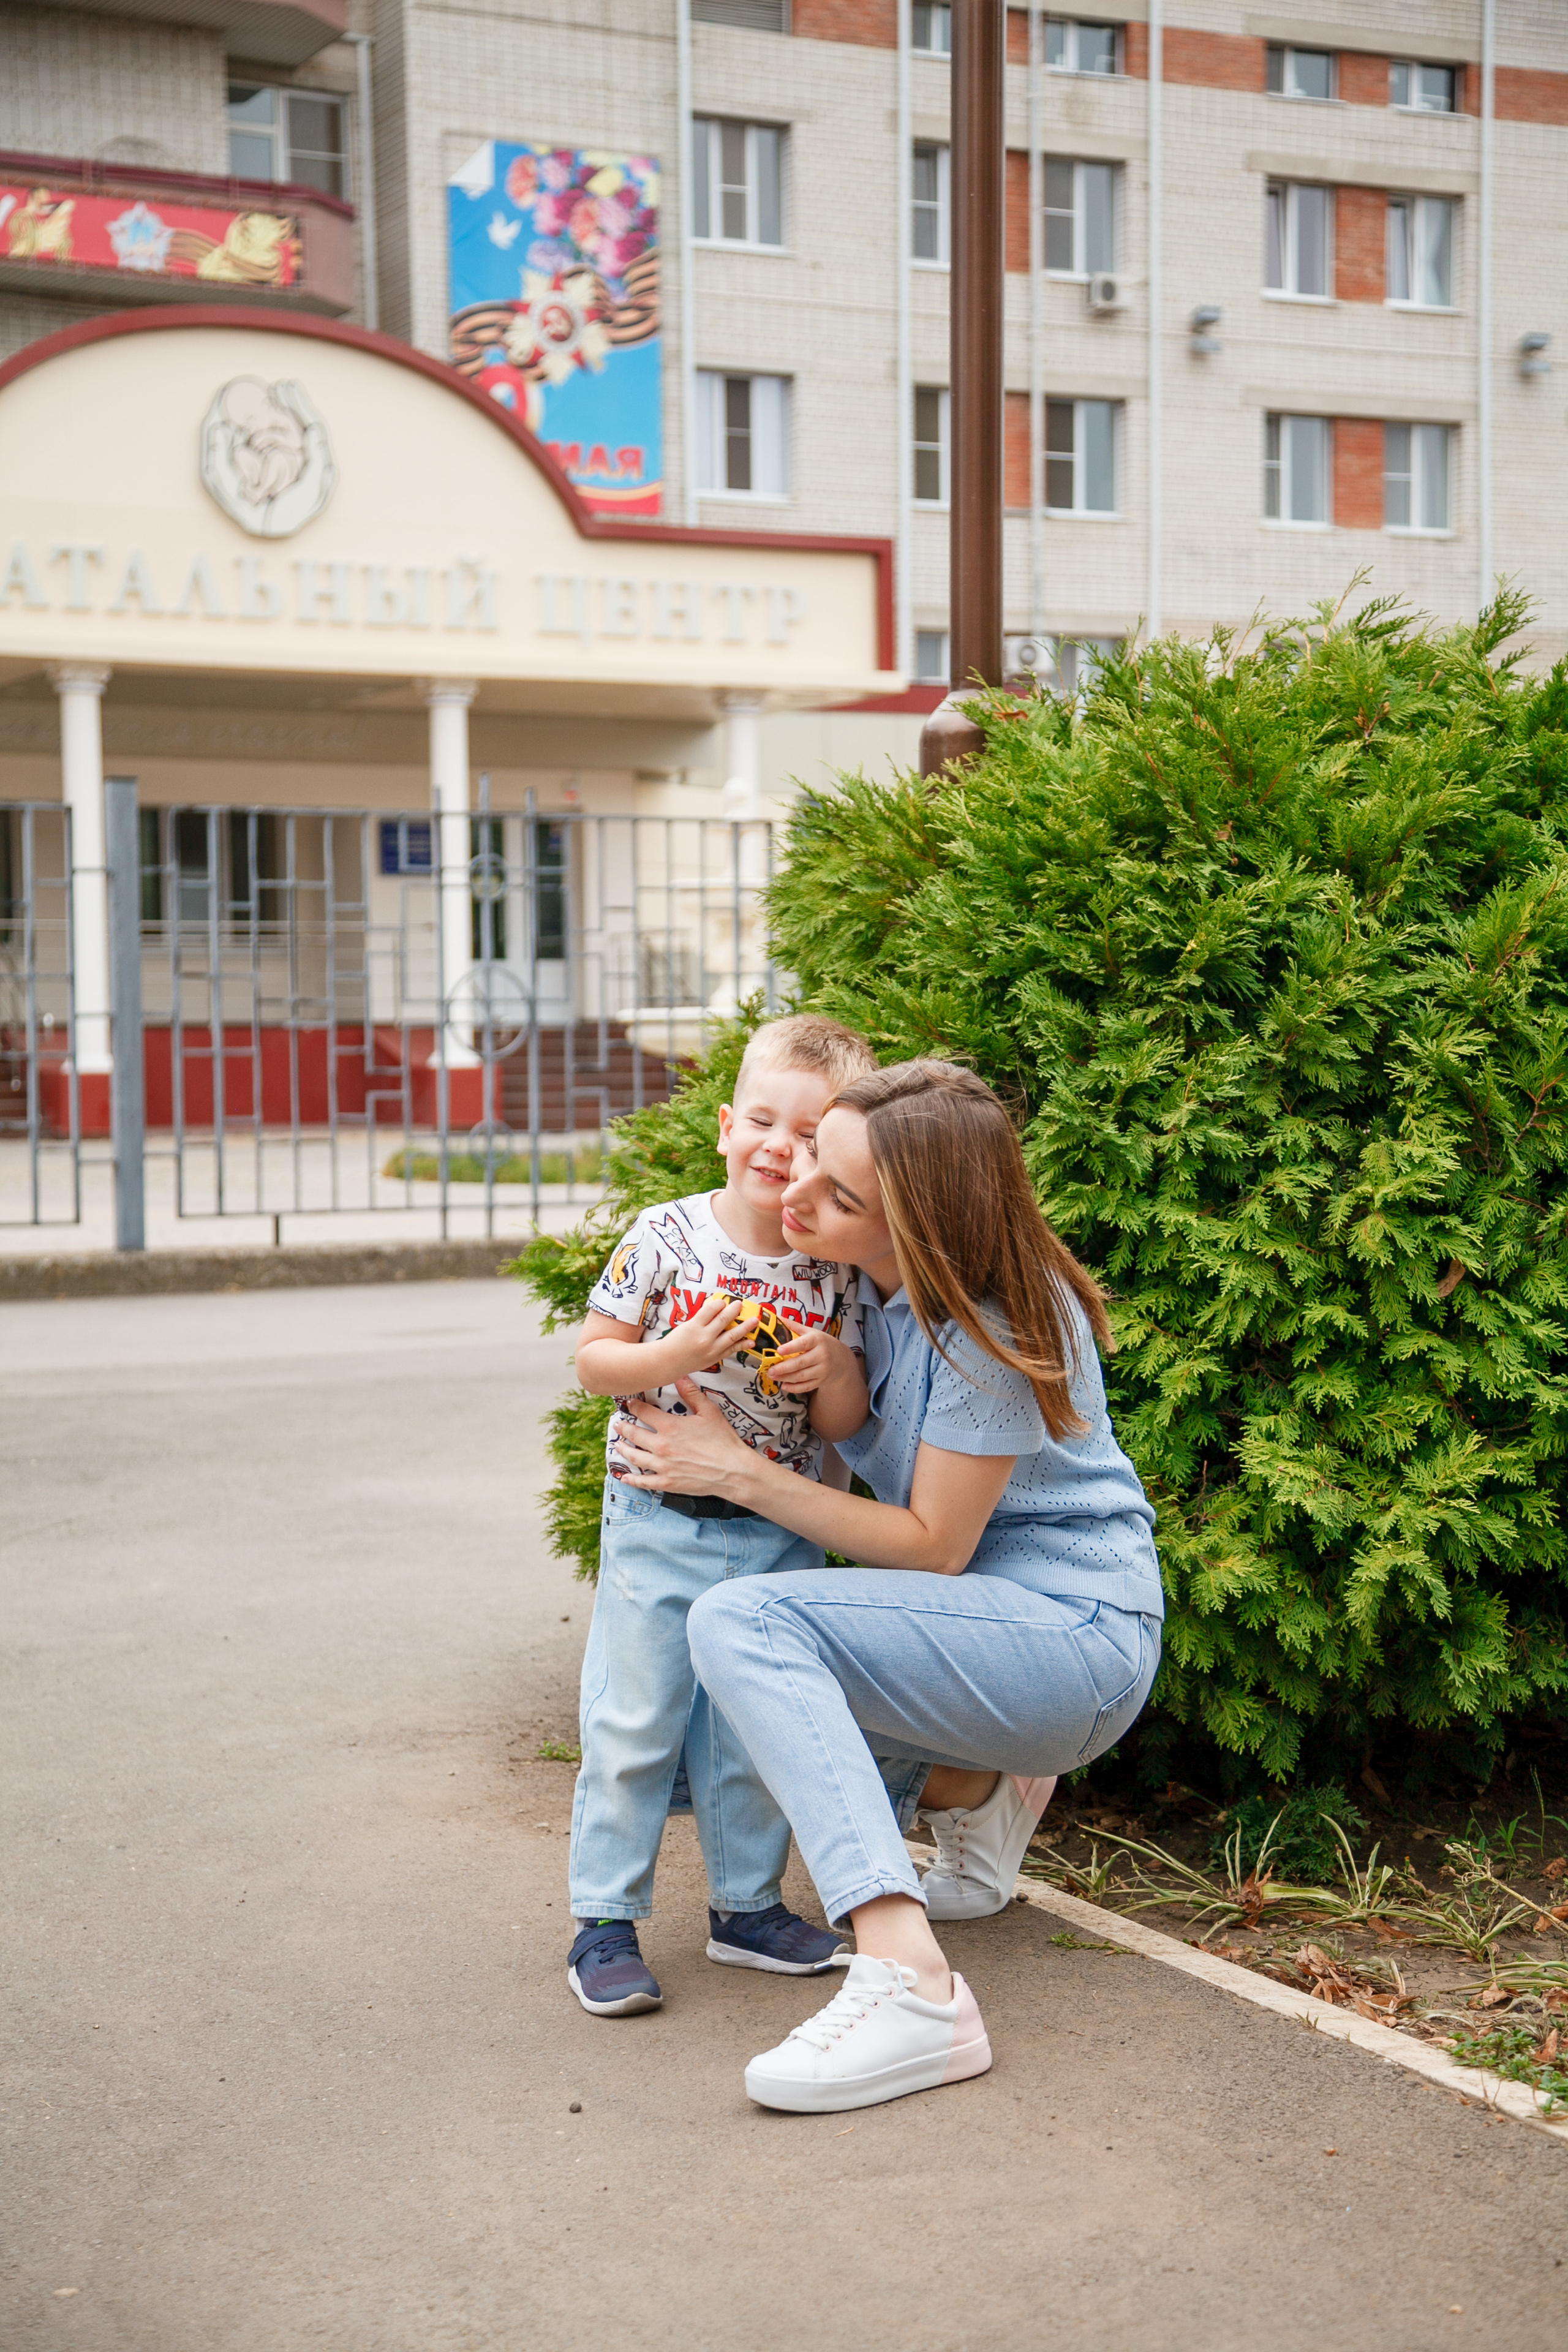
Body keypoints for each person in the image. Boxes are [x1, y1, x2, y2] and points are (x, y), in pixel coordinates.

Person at [612, 1060, 1163, 2112]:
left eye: (839, 1192)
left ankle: (914, 1987)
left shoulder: (997, 1320)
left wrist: (739, 1474)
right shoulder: (860, 1283)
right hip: (977, 1631)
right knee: (706, 1759)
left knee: (743, 1626)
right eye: (812, 1153)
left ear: (922, 1222)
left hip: (1072, 1637)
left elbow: (932, 1546)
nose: (797, 1190)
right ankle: (982, 1790)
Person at [565, 1014, 877, 2017]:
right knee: (638, 1717)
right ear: (723, 1126)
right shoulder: (665, 1234)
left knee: (754, 1727)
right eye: (761, 1121)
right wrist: (669, 1359)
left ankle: (746, 1910)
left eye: (807, 1134)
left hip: (776, 1531)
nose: (778, 1148)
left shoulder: (833, 1270)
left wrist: (830, 1371)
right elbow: (593, 1360)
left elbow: (845, 1424)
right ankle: (604, 1920)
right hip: (662, 1514)